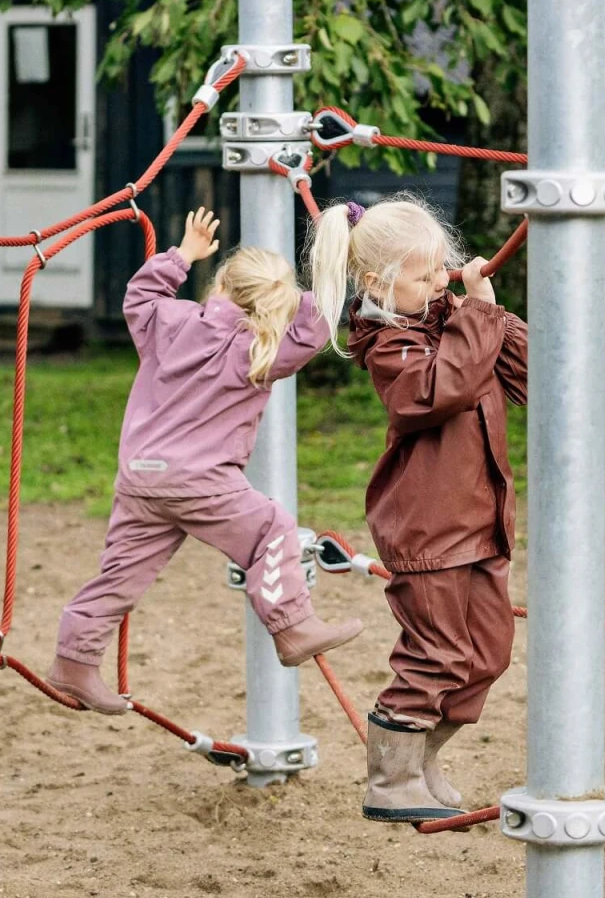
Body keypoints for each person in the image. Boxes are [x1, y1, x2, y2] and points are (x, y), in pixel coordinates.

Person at [48, 208, 364, 713]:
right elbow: (317, 324)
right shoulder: (260, 348)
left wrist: (182, 255)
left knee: (119, 576)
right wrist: (335, 252)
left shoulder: (168, 323)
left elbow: (139, 297)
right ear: (275, 307)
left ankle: (74, 661)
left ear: (219, 282)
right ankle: (292, 625)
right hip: (201, 483)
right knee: (272, 529)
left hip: (141, 477)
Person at [310, 195, 527, 822]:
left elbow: (533, 373)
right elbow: (436, 392)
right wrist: (475, 321)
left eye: (442, 269)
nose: (440, 282)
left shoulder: (447, 319)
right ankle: (390, 778)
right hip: (428, 524)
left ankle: (421, 758)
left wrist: (489, 316)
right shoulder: (387, 344)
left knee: (487, 652)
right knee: (434, 654)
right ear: (379, 283)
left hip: (480, 517)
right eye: (426, 274)